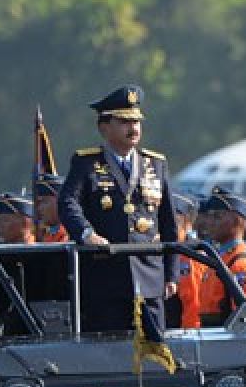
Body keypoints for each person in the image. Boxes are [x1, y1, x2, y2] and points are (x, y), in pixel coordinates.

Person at [57, 85, 178, 335]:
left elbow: (168, 221)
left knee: (157, 356)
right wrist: (86, 233)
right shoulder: (87, 162)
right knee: (108, 354)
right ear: (104, 127)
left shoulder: (155, 163)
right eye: (124, 121)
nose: (133, 128)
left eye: (136, 121)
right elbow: (68, 203)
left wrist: (171, 274)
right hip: (106, 277)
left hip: (150, 276)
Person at [197, 189, 246, 327]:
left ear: (237, 221)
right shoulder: (221, 257)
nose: (210, 222)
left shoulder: (240, 264)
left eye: (217, 217)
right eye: (210, 217)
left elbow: (244, 317)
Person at [165, 192, 203, 329]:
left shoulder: (190, 255)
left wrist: (188, 338)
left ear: (186, 222)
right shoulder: (175, 249)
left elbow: (193, 304)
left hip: (180, 334)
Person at [35, 174, 68, 243]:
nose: (39, 208)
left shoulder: (72, 235)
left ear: (60, 202)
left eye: (44, 202)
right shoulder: (48, 236)